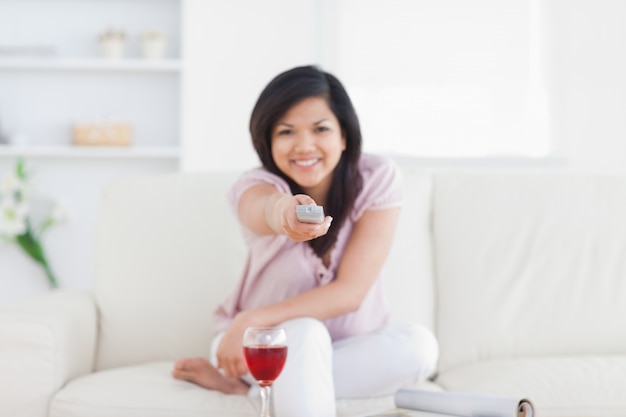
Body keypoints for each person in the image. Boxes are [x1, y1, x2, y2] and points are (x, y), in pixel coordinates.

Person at [172, 65, 439, 417]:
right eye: (286, 132)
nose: (304, 145)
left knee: (419, 346)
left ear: (344, 136)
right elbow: (264, 208)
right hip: (256, 347)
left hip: (338, 346)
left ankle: (251, 391)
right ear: (267, 141)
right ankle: (261, 382)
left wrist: (252, 317)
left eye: (320, 129)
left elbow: (351, 292)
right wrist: (285, 213)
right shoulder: (254, 187)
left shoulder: (377, 178)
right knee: (306, 333)